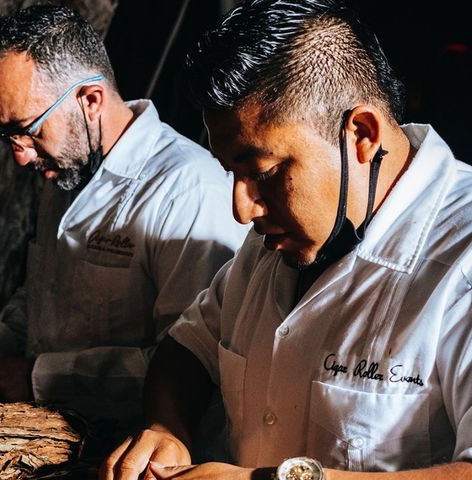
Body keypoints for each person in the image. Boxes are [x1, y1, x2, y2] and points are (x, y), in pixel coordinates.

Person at [102, 0, 472, 479]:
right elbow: (189, 346)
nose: (242, 209)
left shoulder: (461, 260)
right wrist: (167, 427)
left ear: (361, 134)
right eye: (232, 173)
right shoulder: (273, 243)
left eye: (266, 172)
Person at [0, 4, 248, 439]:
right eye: (6, 135)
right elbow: (46, 295)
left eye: (29, 129)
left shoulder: (189, 190)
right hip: (52, 442)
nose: (20, 155)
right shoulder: (64, 172)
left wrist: (40, 378)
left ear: (90, 100)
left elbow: (194, 363)